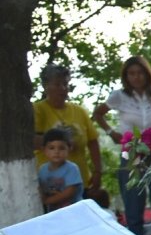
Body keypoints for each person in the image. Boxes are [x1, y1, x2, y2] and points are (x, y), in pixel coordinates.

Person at [94, 55, 151, 235]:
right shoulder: (119, 96)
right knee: (133, 212)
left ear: (147, 74)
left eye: (140, 72)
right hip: (131, 155)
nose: (136, 77)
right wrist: (111, 132)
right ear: (126, 76)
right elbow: (98, 113)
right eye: (131, 73)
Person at [33, 64, 103, 198]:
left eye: (66, 84)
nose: (63, 89)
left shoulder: (80, 111)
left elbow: (93, 141)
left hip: (79, 180)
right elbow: (34, 141)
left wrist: (98, 171)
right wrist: (64, 142)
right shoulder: (37, 110)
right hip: (52, 184)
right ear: (45, 86)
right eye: (57, 84)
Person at [38, 127, 83, 213]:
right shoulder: (42, 169)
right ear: (44, 150)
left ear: (69, 149)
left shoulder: (72, 168)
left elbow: (69, 193)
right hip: (53, 211)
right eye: (51, 148)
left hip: (74, 211)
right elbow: (40, 188)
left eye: (61, 148)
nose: (57, 152)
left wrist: (47, 201)